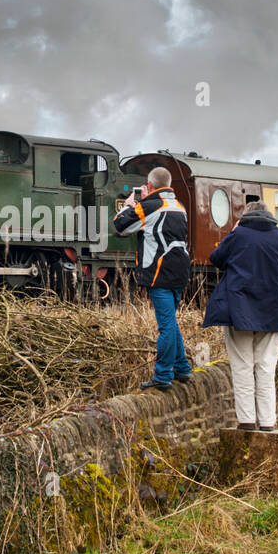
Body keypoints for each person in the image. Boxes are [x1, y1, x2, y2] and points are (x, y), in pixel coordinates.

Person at [202, 199, 278, 430]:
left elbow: (216, 259)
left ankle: (246, 421)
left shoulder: (238, 235)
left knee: (242, 366)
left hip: (239, 310)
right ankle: (268, 423)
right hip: (272, 311)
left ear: (245, 217)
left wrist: (232, 232)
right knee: (266, 367)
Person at [115, 166, 193, 390]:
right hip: (180, 272)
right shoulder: (179, 207)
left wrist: (129, 206)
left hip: (160, 273)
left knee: (166, 327)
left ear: (149, 186)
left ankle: (163, 376)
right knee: (171, 322)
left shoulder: (149, 206)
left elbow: (121, 226)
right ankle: (182, 369)